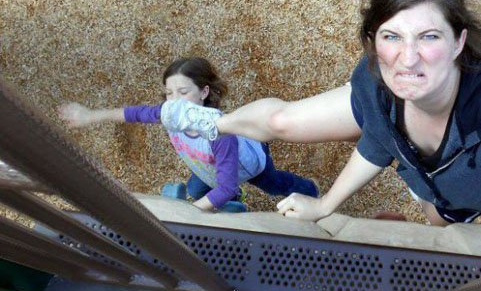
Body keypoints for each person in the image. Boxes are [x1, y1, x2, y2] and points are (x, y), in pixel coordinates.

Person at [159, 0, 481, 230]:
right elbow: (379, 137)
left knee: (455, 224)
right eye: (392, 37)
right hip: (428, 174)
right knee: (281, 122)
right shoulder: (379, 80)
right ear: (372, 42)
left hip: (469, 189)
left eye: (428, 36)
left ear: (460, 41)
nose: (407, 60)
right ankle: (212, 120)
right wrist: (326, 204)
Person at [59, 57, 319, 213]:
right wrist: (89, 115)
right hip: (205, 164)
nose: (174, 101)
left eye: (183, 92)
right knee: (196, 187)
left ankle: (311, 191)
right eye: (169, 93)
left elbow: (226, 187)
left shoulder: (219, 134)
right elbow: (133, 114)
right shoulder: (170, 115)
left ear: (204, 92)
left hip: (250, 164)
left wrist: (191, 215)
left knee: (274, 184)